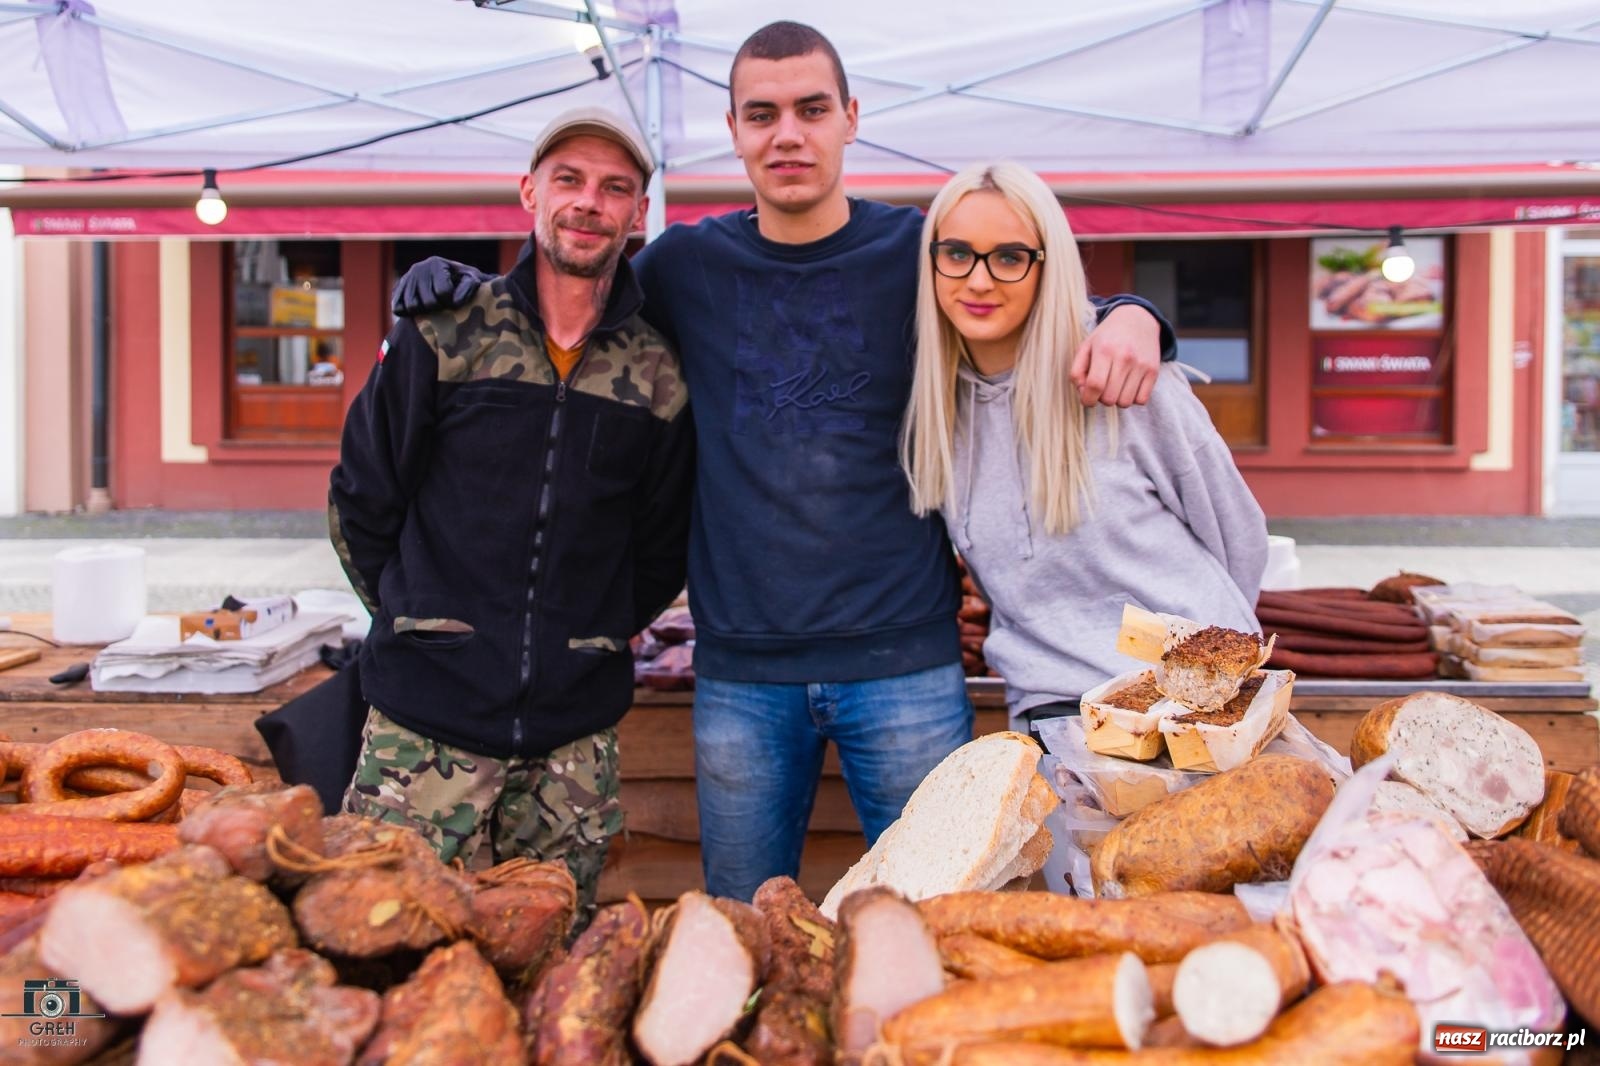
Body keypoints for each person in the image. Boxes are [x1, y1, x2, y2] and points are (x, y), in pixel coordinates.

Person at [393, 22, 1176, 902]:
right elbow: (572, 290)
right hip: (742, 675)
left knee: (938, 916)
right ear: (733, 131)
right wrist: (459, 285)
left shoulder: (914, 252)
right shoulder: (684, 264)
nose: (788, 135)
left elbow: (1027, 292)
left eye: (811, 110)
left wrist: (1134, 313)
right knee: (741, 920)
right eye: (762, 115)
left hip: (905, 664)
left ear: (851, 117)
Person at [328, 106, 693, 920]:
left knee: (554, 955)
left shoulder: (656, 373)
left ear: (638, 213)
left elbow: (661, 545)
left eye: (615, 188)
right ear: (530, 191)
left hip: (572, 743)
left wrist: (591, 636)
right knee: (384, 937)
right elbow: (361, 497)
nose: (589, 202)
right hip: (422, 732)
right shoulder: (446, 332)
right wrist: (418, 620)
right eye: (569, 179)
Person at [902, 160, 1267, 723]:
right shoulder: (935, 406)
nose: (978, 280)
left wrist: (1207, 671)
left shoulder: (1127, 380)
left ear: (1047, 266)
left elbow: (1238, 536)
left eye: (1009, 257)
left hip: (1195, 706)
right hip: (1053, 712)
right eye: (956, 253)